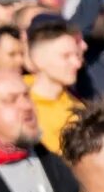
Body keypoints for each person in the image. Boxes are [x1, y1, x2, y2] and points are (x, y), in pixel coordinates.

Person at [24, 14, 87, 152]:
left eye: (76, 55)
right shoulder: (17, 104)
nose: (77, 64)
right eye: (66, 56)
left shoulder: (78, 108)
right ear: (37, 59)